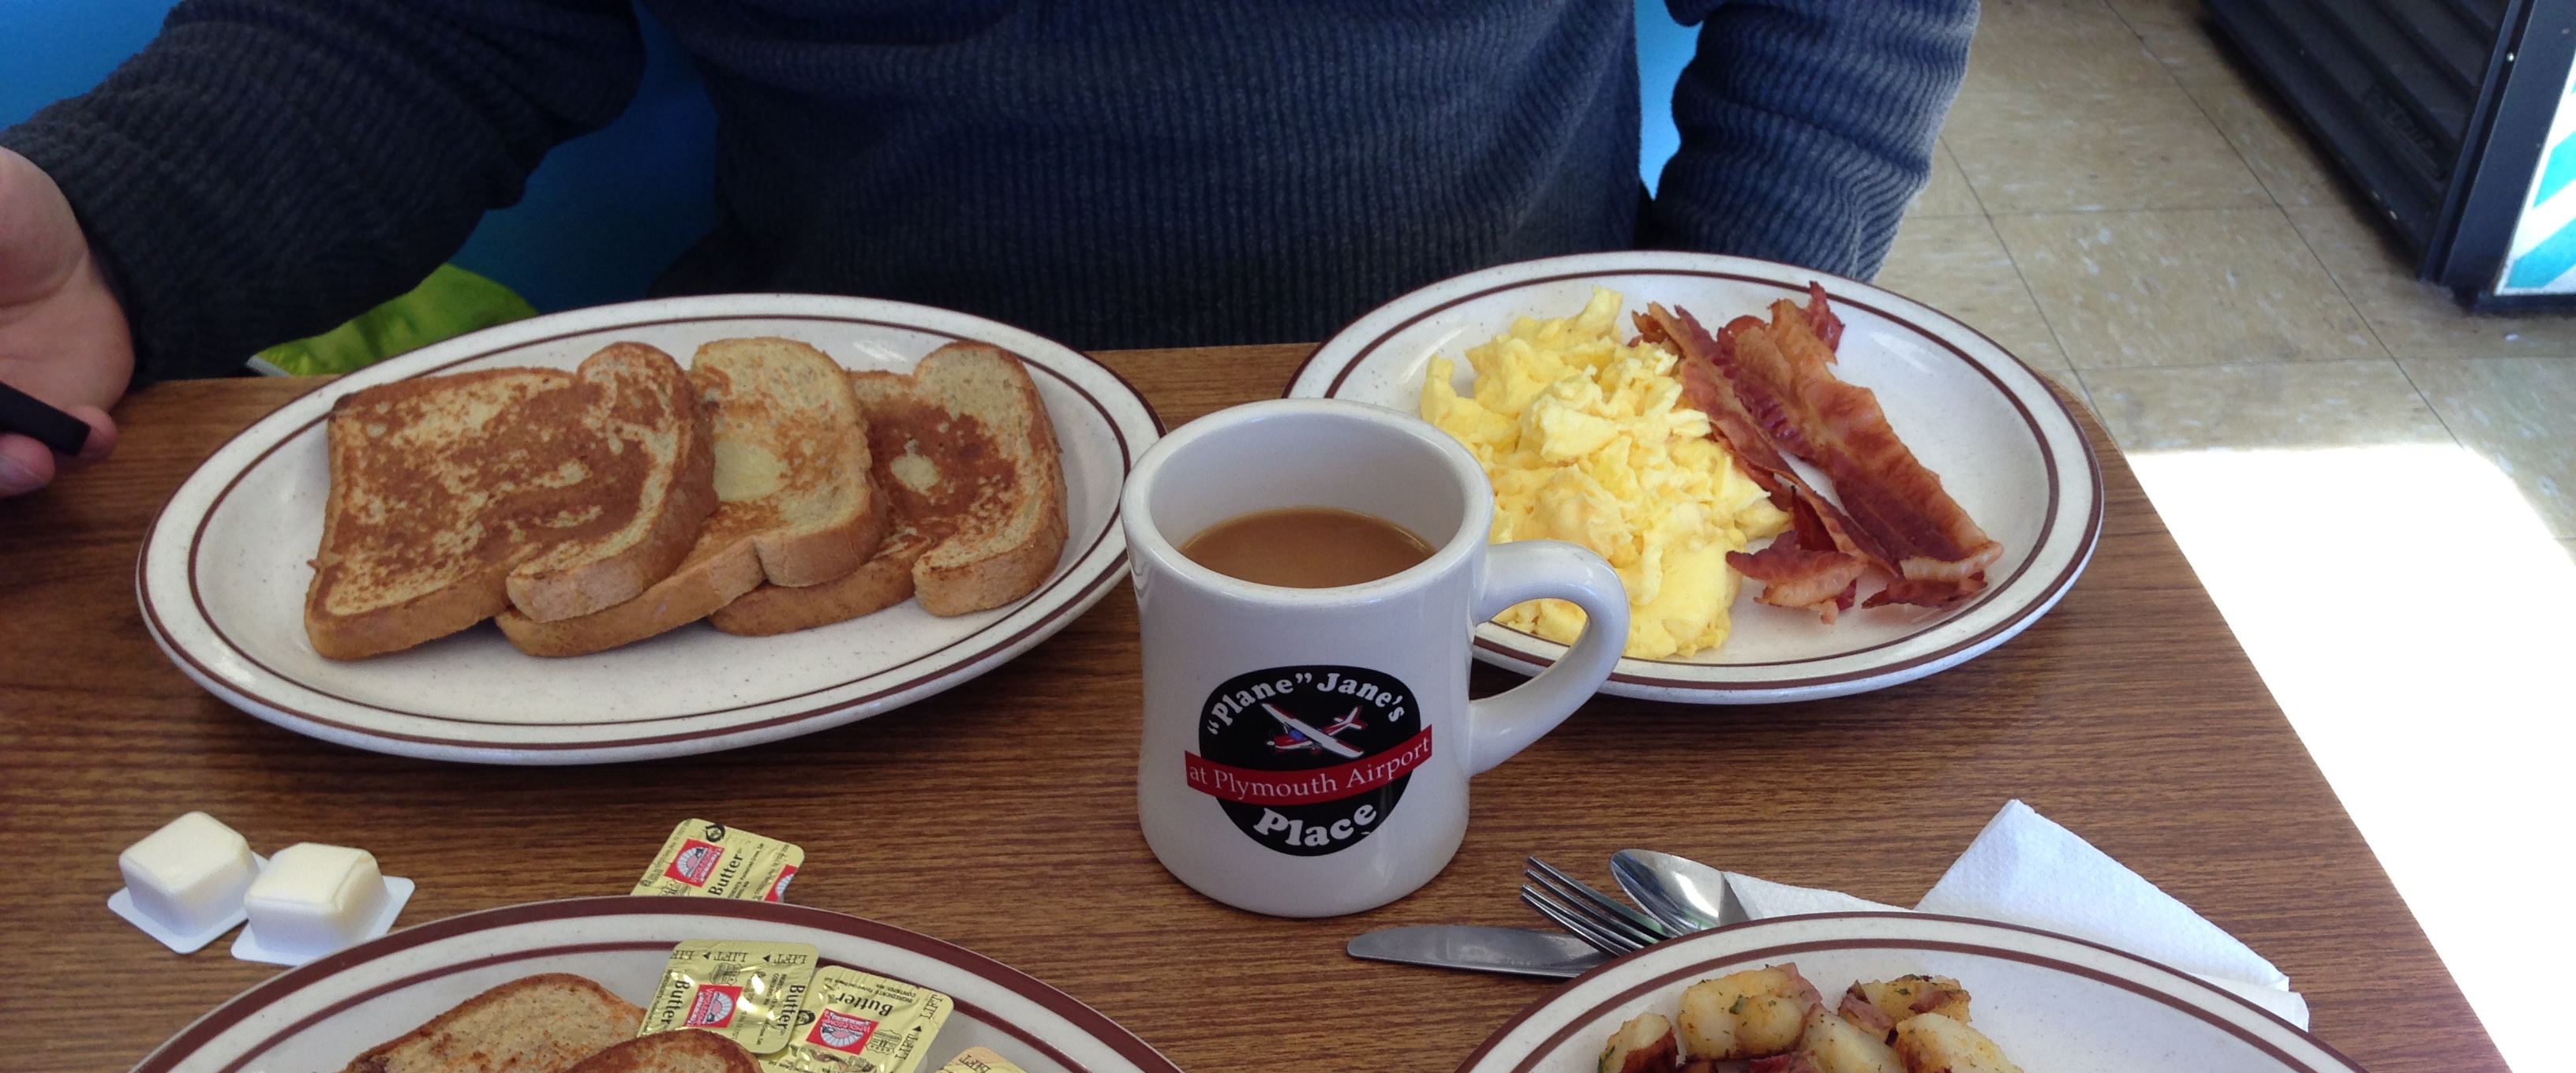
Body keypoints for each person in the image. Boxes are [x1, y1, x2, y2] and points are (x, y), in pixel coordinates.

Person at [0, 0, 1977, 496]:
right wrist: (110, 235)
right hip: (856, 489)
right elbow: (425, 29)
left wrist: (1725, 359)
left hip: (1507, 469)